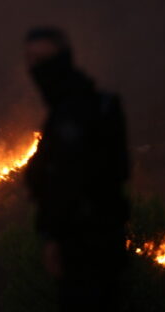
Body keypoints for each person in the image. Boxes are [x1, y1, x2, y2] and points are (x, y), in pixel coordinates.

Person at [24, 27, 130, 311]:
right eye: (31, 60)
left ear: (64, 58)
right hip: (87, 241)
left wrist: (55, 236)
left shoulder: (82, 111)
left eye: (44, 59)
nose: (36, 68)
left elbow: (74, 177)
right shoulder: (65, 111)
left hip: (88, 244)